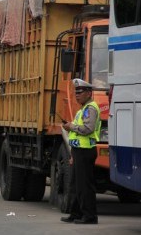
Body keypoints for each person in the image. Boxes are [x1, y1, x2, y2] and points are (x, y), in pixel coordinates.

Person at [61, 78, 100, 224]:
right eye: (76, 92)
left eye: (80, 92)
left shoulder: (91, 108)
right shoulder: (82, 109)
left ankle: (90, 216)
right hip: (78, 151)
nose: (77, 95)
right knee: (75, 185)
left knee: (85, 186)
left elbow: (87, 129)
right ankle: (76, 213)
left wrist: (71, 127)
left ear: (89, 93)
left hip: (86, 151)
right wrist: (72, 154)